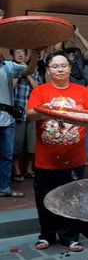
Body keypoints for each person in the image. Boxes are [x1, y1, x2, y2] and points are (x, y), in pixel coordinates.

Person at [26, 50, 88, 252]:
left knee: (72, 199)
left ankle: (70, 237)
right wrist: (45, 110)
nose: (60, 69)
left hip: (74, 158)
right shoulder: (40, 91)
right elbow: (30, 115)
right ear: (48, 71)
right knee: (45, 199)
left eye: (64, 65)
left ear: (69, 68)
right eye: (55, 66)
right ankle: (46, 235)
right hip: (46, 159)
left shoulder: (82, 91)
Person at [0, 48, 39, 197]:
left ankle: (4, 188)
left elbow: (29, 70)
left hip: (8, 118)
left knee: (7, 155)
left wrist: (35, 54)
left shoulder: (8, 65)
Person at [11, 49, 43, 181]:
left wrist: (28, 73)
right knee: (17, 143)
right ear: (12, 56)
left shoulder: (34, 71)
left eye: (22, 53)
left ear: (26, 56)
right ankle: (17, 170)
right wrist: (19, 73)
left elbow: (38, 90)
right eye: (17, 53)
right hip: (16, 112)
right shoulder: (10, 70)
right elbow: (9, 88)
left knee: (32, 144)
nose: (20, 55)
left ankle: (29, 169)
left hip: (31, 112)